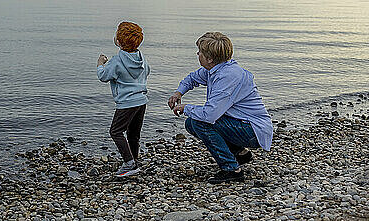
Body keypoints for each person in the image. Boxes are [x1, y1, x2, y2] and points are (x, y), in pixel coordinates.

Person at [168, 32, 273, 184]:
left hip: (253, 130)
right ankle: (240, 153)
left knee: (199, 122)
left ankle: (232, 170)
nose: (197, 54)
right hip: (241, 123)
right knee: (191, 123)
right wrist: (178, 93)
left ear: (209, 58)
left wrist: (185, 108)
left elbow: (209, 115)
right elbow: (192, 78)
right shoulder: (215, 69)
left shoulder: (228, 76)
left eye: (200, 52)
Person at [97, 21, 150, 177]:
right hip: (141, 100)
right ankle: (134, 159)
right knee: (133, 134)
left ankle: (129, 163)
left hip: (127, 103)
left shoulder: (116, 61)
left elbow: (103, 76)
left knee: (116, 131)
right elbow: (147, 71)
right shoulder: (141, 58)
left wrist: (100, 64)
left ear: (118, 41)